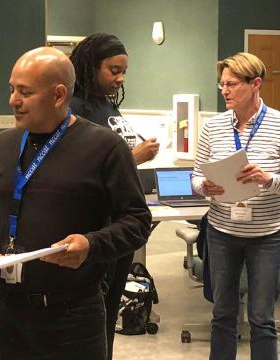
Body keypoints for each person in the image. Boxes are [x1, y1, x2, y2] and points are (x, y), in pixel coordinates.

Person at [0, 46, 151, 359]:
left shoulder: (105, 148)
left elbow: (136, 222)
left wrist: (91, 245)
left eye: (25, 92)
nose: (13, 100)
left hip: (73, 317)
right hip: (8, 313)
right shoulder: (2, 146)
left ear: (59, 94)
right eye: (11, 90)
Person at [192, 52, 280, 360]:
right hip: (222, 231)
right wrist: (205, 187)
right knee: (222, 313)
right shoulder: (213, 127)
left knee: (261, 317)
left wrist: (268, 179)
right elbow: (196, 176)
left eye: (232, 84)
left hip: (268, 234)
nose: (225, 90)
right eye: (221, 84)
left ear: (255, 84)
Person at [69, 32, 159, 358]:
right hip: (95, 226)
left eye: (123, 72)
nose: (120, 79)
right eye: (113, 70)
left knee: (109, 309)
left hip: (118, 224)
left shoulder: (105, 104)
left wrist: (134, 155)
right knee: (94, 311)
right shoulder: (74, 108)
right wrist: (135, 157)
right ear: (91, 66)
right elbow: (84, 169)